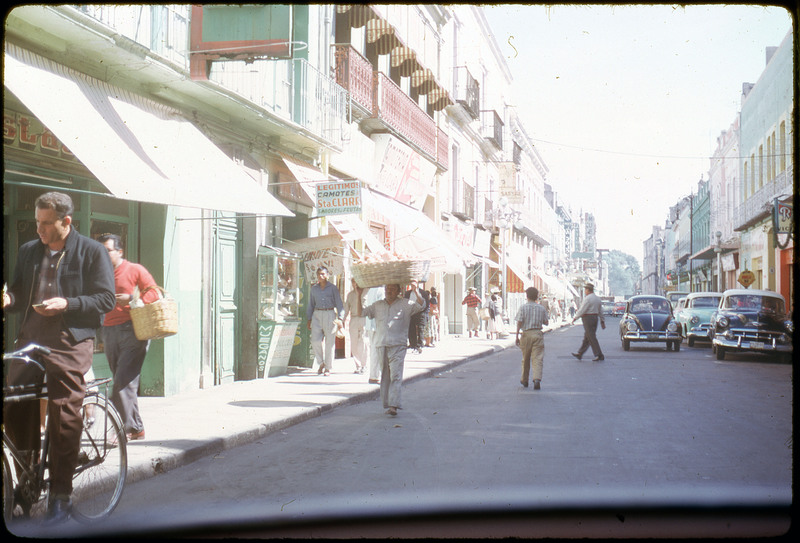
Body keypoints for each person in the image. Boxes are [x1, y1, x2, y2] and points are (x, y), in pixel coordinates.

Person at [2, 191, 115, 523]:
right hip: (33, 335)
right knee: (15, 399)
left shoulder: (92, 251)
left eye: (46, 224)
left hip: (71, 338)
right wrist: (9, 298)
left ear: (67, 221)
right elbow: (21, 293)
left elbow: (106, 299)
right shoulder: (29, 251)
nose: (39, 230)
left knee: (65, 408)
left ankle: (61, 497)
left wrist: (68, 303)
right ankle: (27, 481)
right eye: (37, 222)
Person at [98, 233, 158, 441]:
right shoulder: (100, 273)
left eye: (108, 250)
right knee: (123, 382)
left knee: (122, 381)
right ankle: (137, 428)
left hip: (133, 330)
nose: (104, 255)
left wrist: (132, 298)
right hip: (108, 330)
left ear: (120, 251)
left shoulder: (135, 270)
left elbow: (154, 294)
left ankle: (121, 431)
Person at [358, 283, 424, 416]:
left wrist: (416, 291)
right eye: (388, 289)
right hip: (381, 344)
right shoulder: (378, 305)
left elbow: (421, 306)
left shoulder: (406, 304)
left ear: (399, 291)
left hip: (398, 345)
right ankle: (388, 403)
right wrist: (360, 295)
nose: (389, 291)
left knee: (396, 375)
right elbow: (362, 312)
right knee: (385, 374)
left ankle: (394, 405)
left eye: (393, 289)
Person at [306, 266, 344, 376]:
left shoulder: (332, 288)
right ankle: (321, 363)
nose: (320, 276)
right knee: (315, 341)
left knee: (330, 342)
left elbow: (339, 303)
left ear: (327, 275)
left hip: (330, 314)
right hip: (317, 314)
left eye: (323, 274)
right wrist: (309, 319)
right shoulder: (314, 289)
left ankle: (328, 367)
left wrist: (340, 318)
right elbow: (311, 304)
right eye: (319, 274)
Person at [515, 287, 549, 389]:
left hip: (526, 334)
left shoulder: (523, 307)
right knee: (537, 358)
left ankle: (524, 380)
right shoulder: (541, 308)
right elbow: (546, 322)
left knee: (525, 358)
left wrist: (517, 336)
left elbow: (519, 322)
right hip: (538, 334)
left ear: (527, 296)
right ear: (536, 296)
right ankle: (537, 379)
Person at [570, 283, 606, 361]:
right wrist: (602, 321)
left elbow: (583, 309)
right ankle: (580, 353)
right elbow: (601, 311)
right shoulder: (597, 298)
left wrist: (575, 317)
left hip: (588, 318)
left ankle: (599, 354)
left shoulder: (588, 299)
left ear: (588, 290)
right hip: (595, 318)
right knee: (587, 337)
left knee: (591, 337)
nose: (585, 291)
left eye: (585, 289)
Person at [343, 278, 369, 374]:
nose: (356, 284)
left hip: (364, 319)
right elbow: (346, 308)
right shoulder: (350, 295)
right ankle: (358, 365)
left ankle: (364, 365)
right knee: (354, 343)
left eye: (357, 281)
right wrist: (342, 320)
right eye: (353, 282)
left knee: (364, 341)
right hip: (353, 318)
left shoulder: (366, 292)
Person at [364, 285, 385, 384]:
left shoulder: (371, 290)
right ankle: (375, 375)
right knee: (378, 351)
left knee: (374, 350)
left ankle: (374, 375)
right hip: (377, 324)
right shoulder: (381, 290)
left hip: (371, 324)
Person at [404, 279, 428, 353]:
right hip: (411, 313)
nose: (412, 285)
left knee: (420, 329)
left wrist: (416, 292)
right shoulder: (407, 293)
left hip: (420, 313)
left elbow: (425, 303)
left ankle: (420, 345)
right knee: (411, 329)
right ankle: (413, 344)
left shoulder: (422, 292)